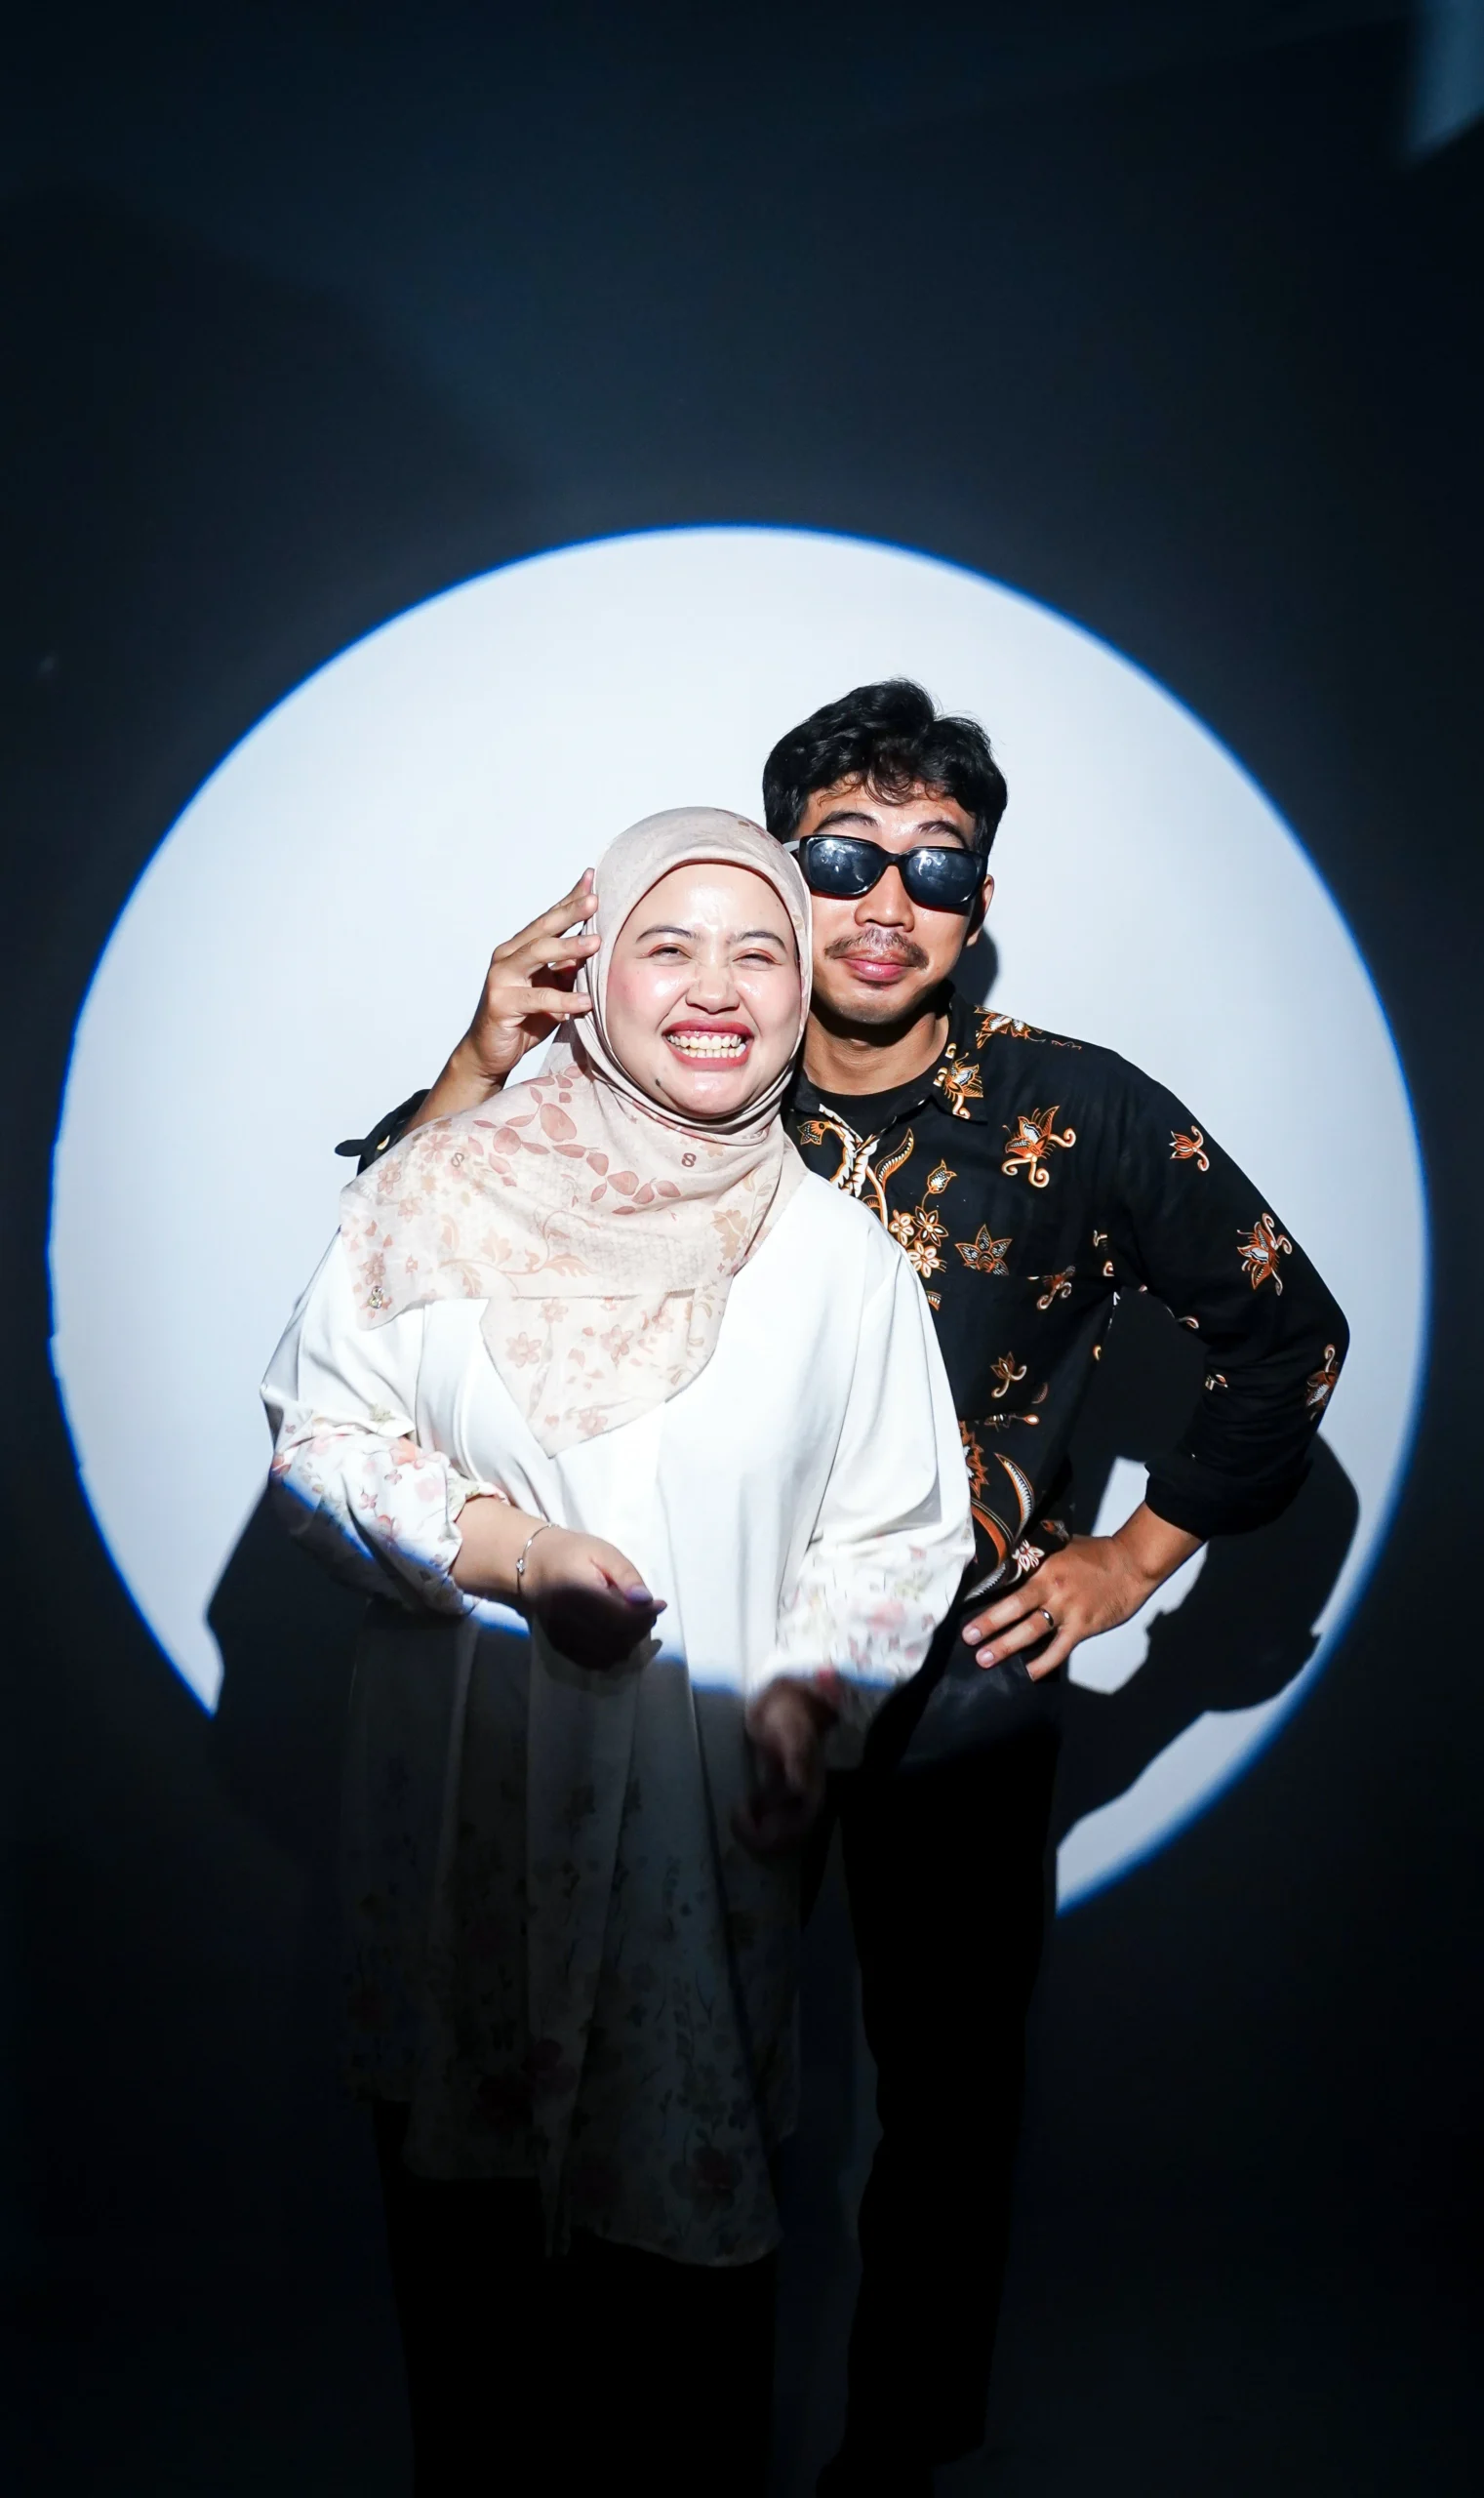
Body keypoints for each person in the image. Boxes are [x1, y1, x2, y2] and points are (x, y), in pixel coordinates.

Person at [347, 684, 1350, 2495]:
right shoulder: (670, 1058)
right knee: (644, 2057)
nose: (889, 903)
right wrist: (481, 1052)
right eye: (842, 857)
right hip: (693, 1660)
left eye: (938, 870)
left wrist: (1135, 1556)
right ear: (771, 871)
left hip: (951, 1677)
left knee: (944, 2105)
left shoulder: (1078, 1111)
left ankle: (895, 2461)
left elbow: (1290, 1331)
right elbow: (396, 1236)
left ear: (981, 906)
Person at [264, 806, 972, 2498]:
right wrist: (509, 1555)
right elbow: (317, 1435)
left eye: (760, 953)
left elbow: (893, 1529)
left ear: (802, 994)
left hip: (697, 1842)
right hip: (467, 1816)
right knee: (475, 2314)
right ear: (593, 980)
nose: (718, 988)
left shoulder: (842, 1265)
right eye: (670, 945)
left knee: (682, 2324)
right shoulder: (432, 1193)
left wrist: (806, 1705)